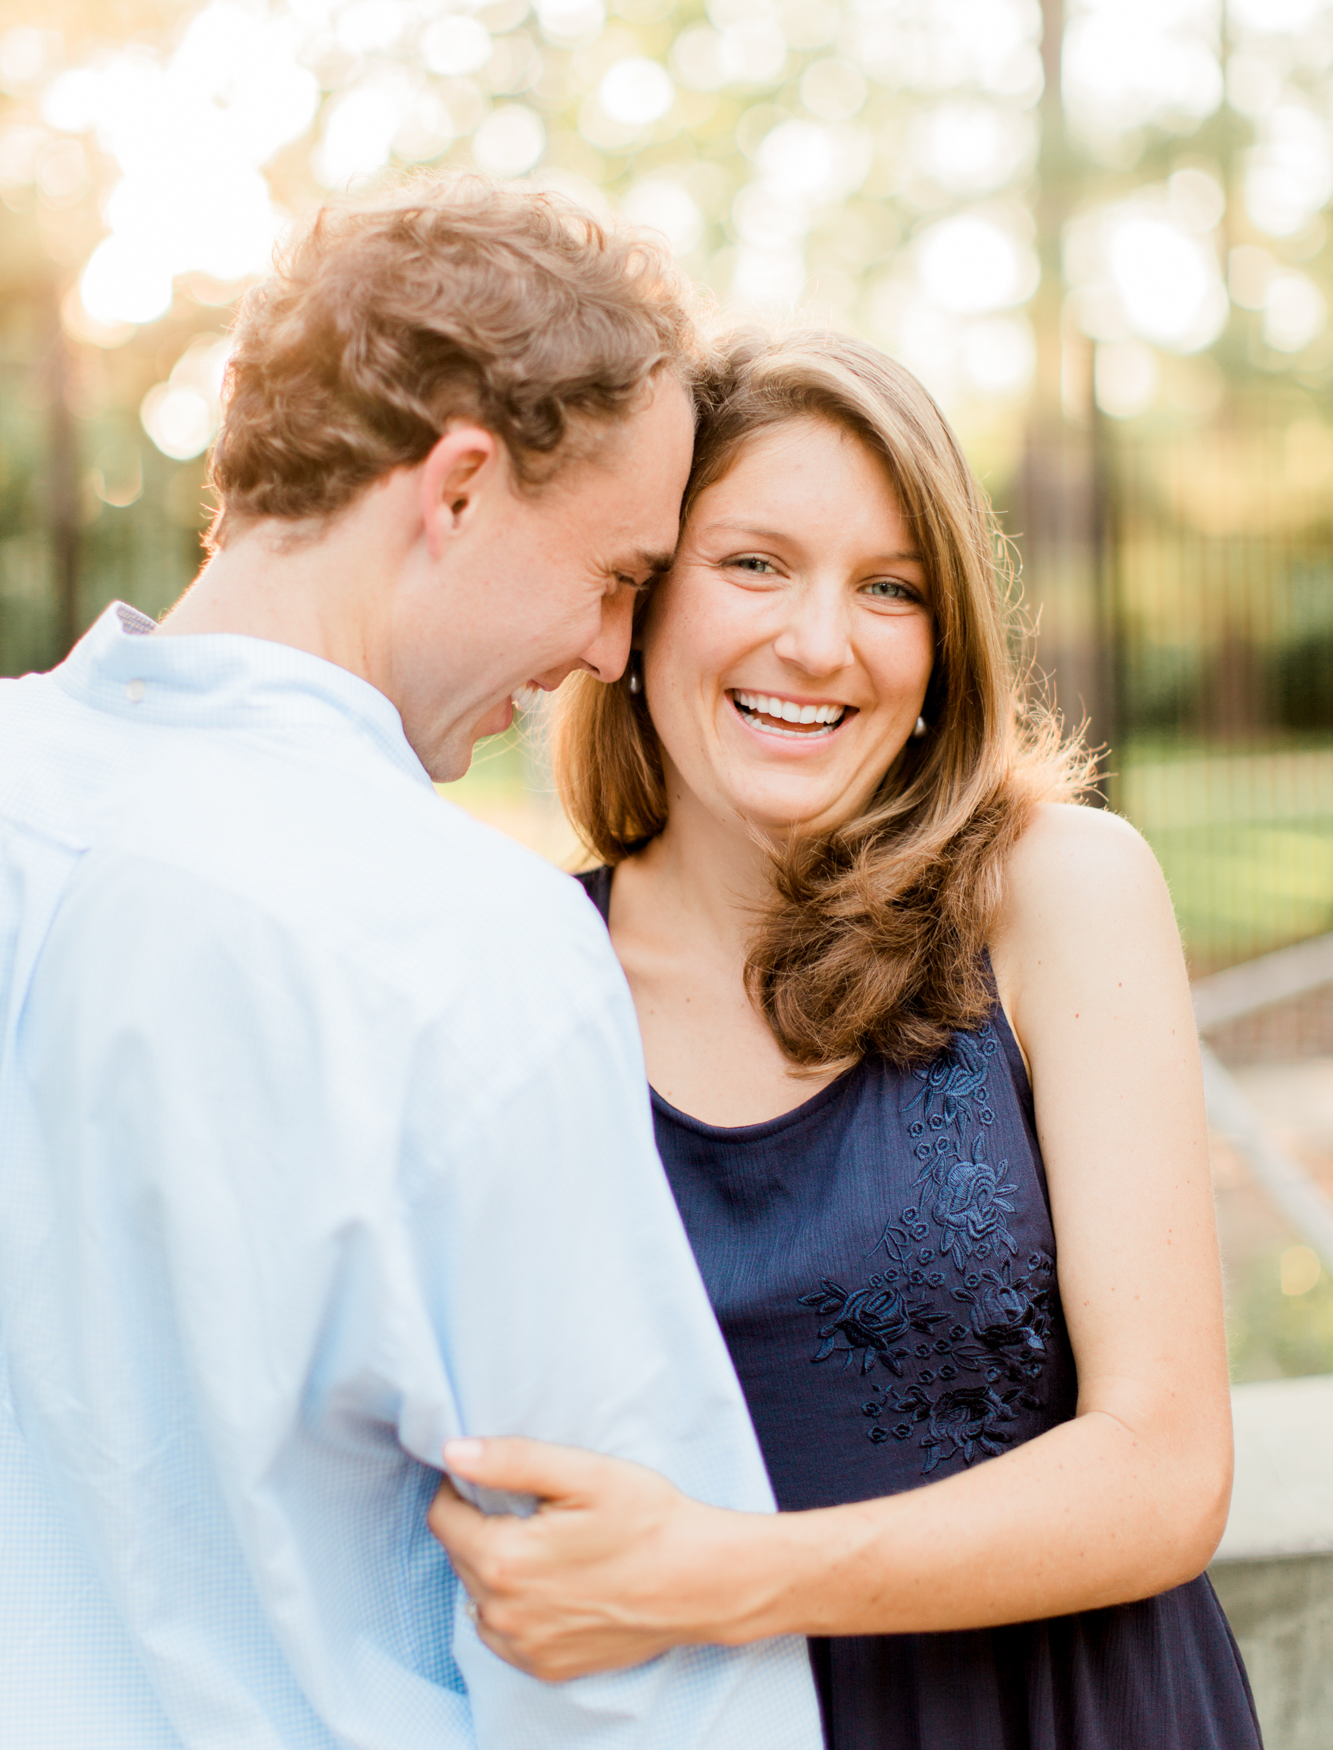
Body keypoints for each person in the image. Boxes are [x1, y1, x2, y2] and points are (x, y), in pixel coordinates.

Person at [0, 186, 825, 1750]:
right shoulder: (463, 947)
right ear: (454, 489)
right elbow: (633, 1651)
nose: (602, 651)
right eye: (613, 573)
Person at [428, 326, 1263, 1749]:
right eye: (754, 564)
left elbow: (1164, 1471)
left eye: (891, 589)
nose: (819, 644)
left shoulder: (1056, 890)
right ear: (638, 606)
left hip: (1067, 1712)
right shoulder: (507, 965)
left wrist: (720, 1578)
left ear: (942, 647)